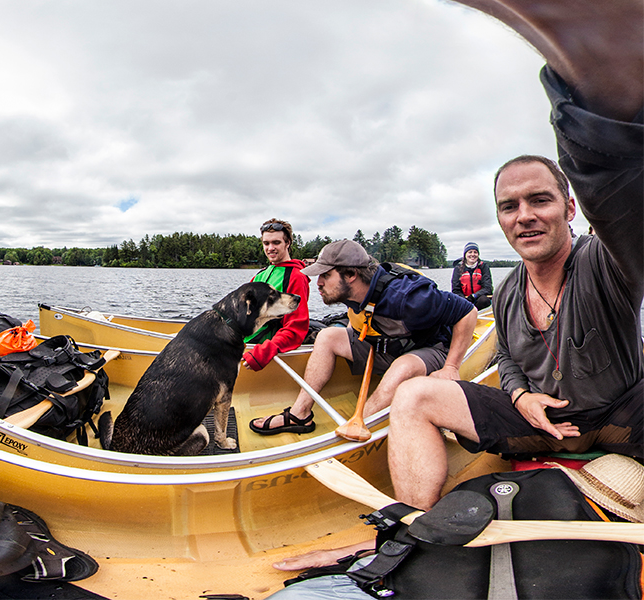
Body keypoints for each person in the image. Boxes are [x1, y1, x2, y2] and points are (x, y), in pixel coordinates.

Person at [272, 0, 643, 586]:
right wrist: (519, 399)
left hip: (624, 419)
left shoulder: (608, 261)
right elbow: (505, 359)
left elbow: (625, 202)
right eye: (509, 206)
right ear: (498, 220)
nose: (524, 215)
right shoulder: (513, 286)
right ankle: (409, 533)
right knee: (417, 397)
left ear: (570, 208)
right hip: (541, 423)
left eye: (540, 199)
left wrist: (594, 90)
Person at [249, 240, 477, 436]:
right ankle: (300, 414)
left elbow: (468, 312)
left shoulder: (409, 298)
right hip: (385, 344)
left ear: (351, 274)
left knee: (402, 366)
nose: (318, 283)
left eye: (326, 276)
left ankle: (360, 424)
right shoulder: (352, 292)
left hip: (428, 348)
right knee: (327, 336)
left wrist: (451, 367)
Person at [241, 219, 311, 371]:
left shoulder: (296, 276)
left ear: (288, 243)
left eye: (276, 243)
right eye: (266, 243)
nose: (270, 248)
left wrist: (265, 352)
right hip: (244, 341)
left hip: (261, 349)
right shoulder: (260, 275)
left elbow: (296, 328)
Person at [451, 242, 493, 309]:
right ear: (465, 254)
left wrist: (474, 296)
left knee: (484, 301)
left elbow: (488, 288)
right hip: (464, 300)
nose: (473, 254)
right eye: (470, 252)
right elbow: (456, 290)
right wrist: (464, 300)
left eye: (475, 252)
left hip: (479, 299)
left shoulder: (483, 267)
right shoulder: (458, 269)